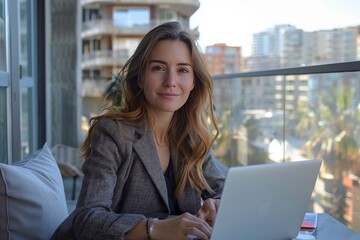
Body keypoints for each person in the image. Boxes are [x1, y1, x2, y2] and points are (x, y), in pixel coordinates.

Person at [51, 21, 226, 240]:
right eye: (158, 68)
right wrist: (155, 228)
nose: (171, 81)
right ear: (140, 78)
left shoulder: (191, 137)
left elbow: (225, 188)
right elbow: (87, 219)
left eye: (182, 70)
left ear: (193, 82)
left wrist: (217, 203)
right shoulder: (113, 132)